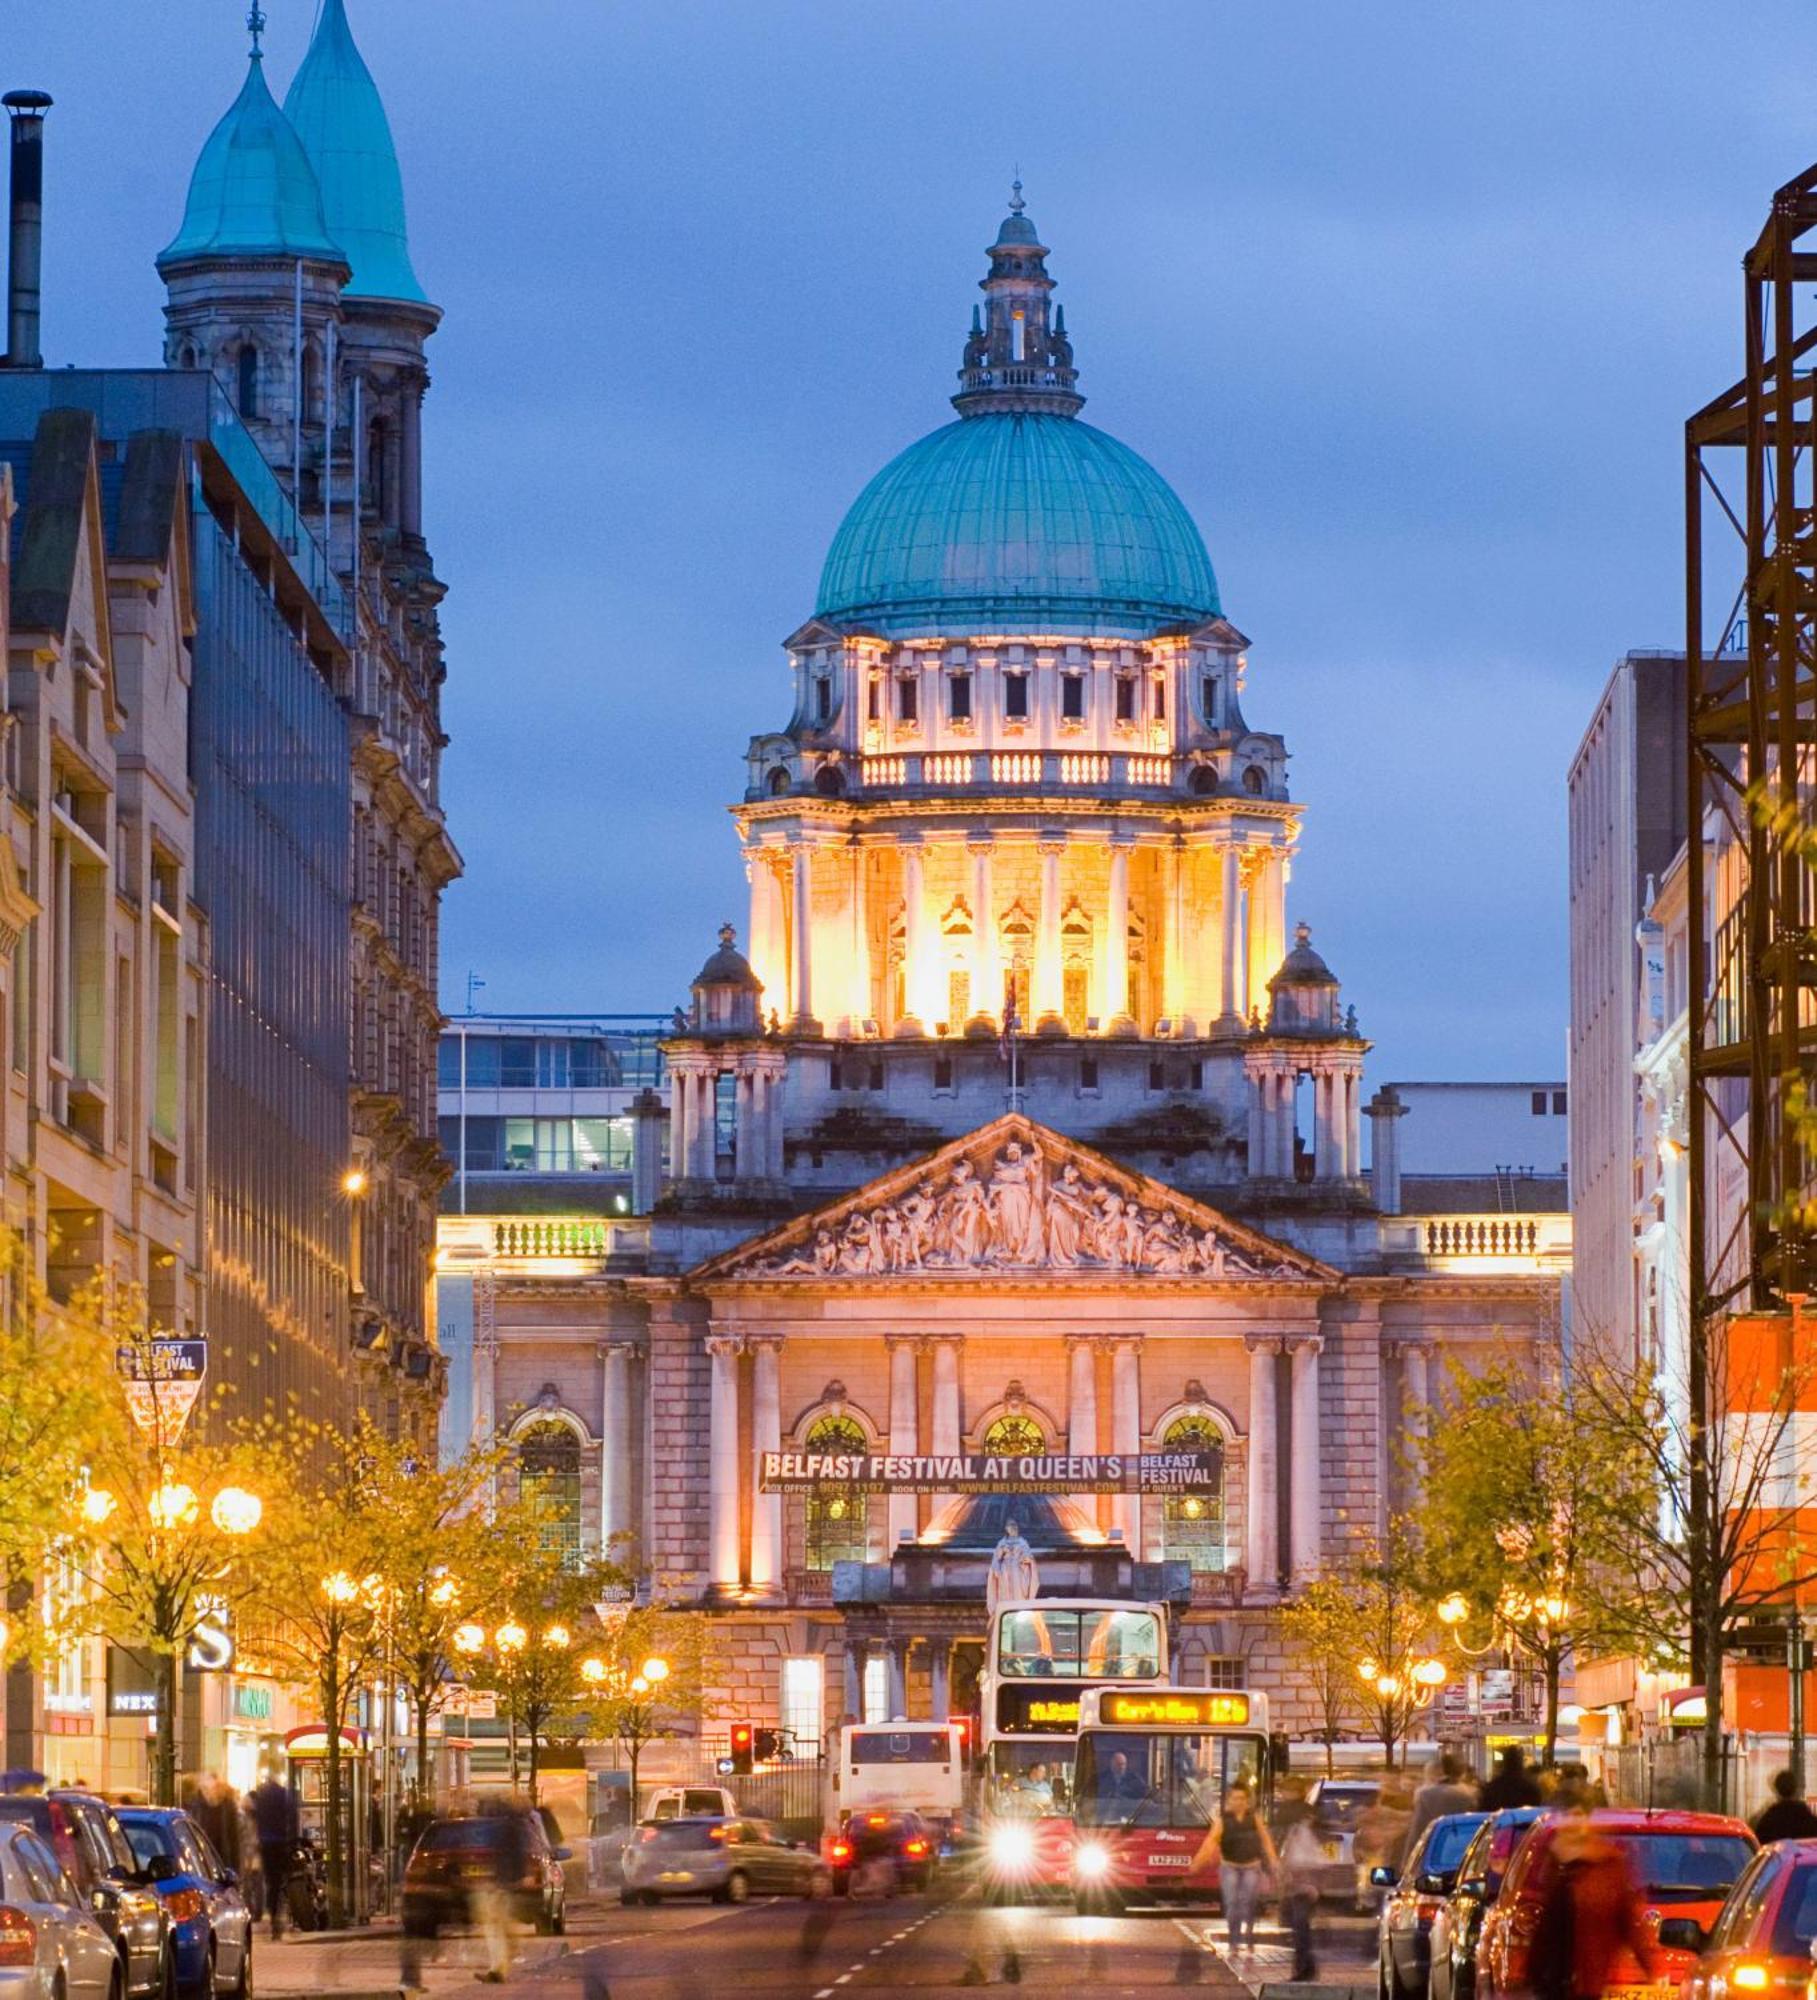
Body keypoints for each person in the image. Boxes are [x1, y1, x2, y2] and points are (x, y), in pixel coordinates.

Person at [1529, 1812, 1656, 2000]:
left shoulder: (1608, 1867)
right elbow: (1543, 1921)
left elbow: (1627, 1918)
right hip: (1552, 1974)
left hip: (1588, 1978)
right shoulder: (1553, 1862)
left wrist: (1648, 1965)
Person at [1192, 1783, 1279, 1955]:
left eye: (1242, 1798)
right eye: (1235, 1798)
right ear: (1229, 1801)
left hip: (1251, 1867)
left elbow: (1266, 1840)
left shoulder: (1254, 1818)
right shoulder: (1222, 1821)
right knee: (1232, 1904)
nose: (1238, 1802)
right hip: (1229, 1867)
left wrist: (1274, 1861)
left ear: (1247, 1801)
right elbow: (1210, 1842)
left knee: (1248, 1902)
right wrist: (1197, 1862)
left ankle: (1249, 1933)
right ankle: (1234, 1939)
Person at [1270, 1777, 1320, 1982]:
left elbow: (1280, 1841)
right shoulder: (1311, 1811)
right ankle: (1304, 1965)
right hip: (1307, 1872)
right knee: (1299, 1921)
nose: (1283, 1794)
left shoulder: (1287, 1813)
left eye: (1286, 1791)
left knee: (1298, 1922)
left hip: (1298, 1872)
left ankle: (1303, 1967)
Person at [249, 1770, 297, 1939]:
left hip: (266, 1842)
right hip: (281, 1841)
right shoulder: (284, 1794)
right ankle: (280, 1916)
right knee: (282, 1879)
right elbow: (292, 1815)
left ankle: (273, 1914)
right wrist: (292, 1838)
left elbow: (254, 1816)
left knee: (270, 1881)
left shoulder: (261, 1797)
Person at [1407, 1753, 1478, 1849]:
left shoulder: (1426, 1795)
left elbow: (1417, 1831)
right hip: (1467, 1847)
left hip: (1437, 1848)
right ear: (1462, 1772)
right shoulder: (1473, 1794)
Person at [1753, 1770, 1817, 1842]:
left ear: (1777, 1790)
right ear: (1795, 1788)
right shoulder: (1805, 1814)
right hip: (1801, 1853)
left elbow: (1759, 1841)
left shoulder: (1770, 1816)